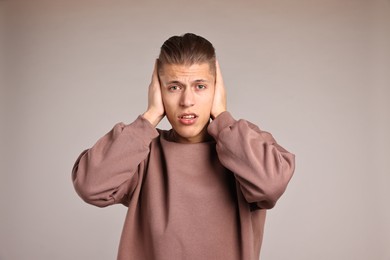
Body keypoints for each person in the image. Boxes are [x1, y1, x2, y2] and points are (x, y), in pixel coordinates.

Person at [72, 33, 295, 260]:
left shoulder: (244, 144)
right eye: (174, 87)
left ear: (217, 90)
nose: (187, 101)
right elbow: (90, 186)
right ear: (157, 91)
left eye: (200, 86)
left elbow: (270, 185)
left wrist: (222, 117)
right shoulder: (143, 151)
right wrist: (149, 117)